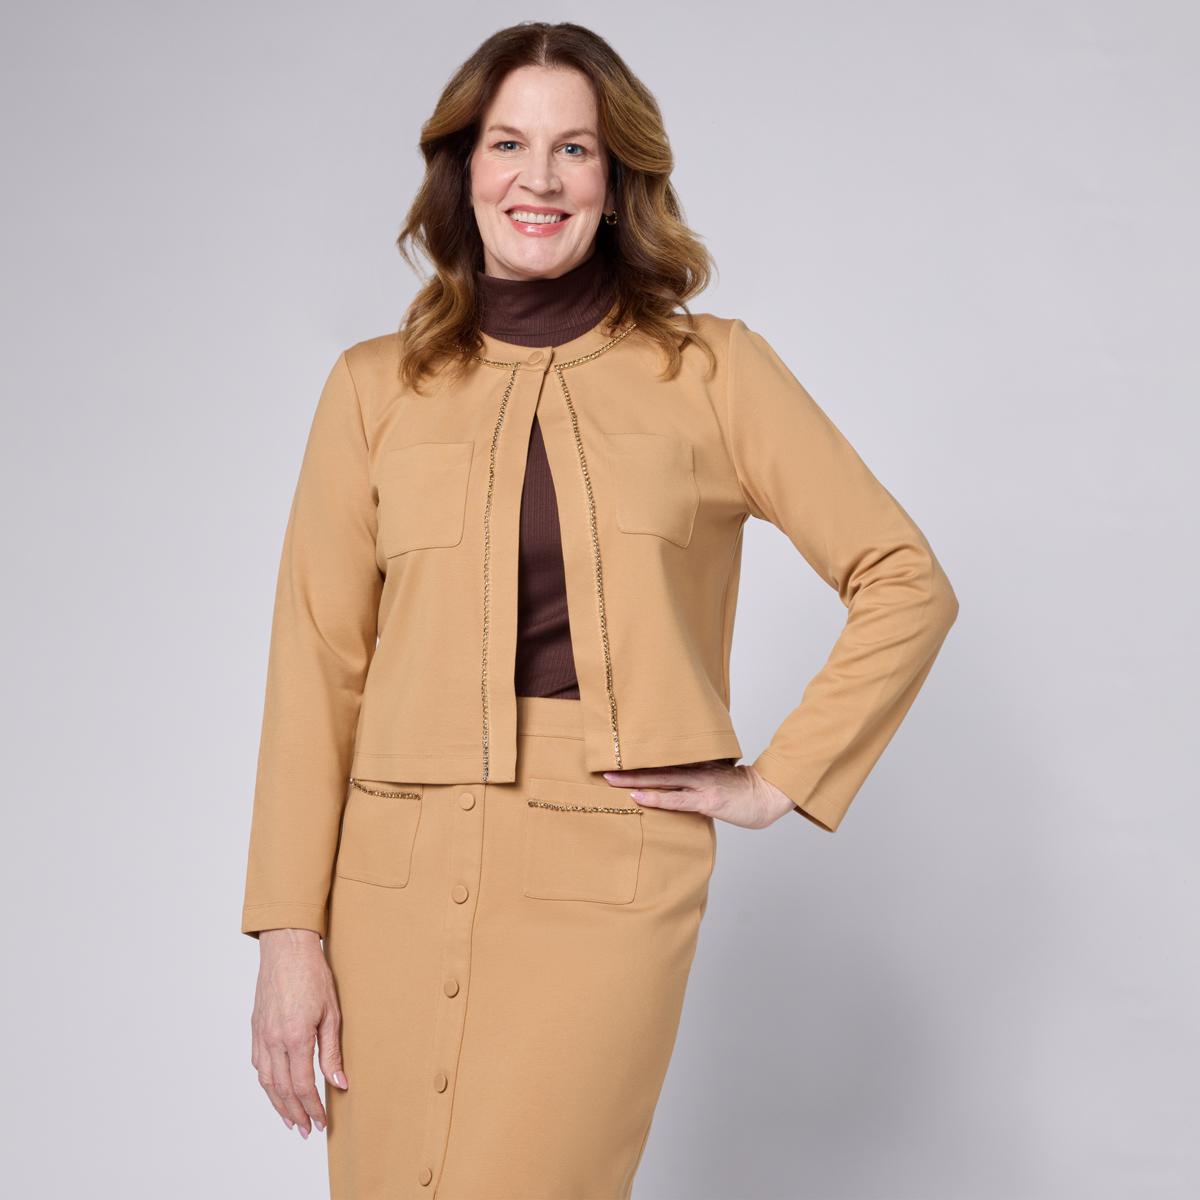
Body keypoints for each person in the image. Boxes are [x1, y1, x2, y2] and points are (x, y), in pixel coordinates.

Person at [240, 20, 959, 1199]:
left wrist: (779, 779)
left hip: (610, 873)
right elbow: (318, 666)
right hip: (389, 883)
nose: (539, 178)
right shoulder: (372, 389)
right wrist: (287, 934)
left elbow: (903, 577)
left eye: (574, 149)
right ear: (463, 169)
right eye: (508, 144)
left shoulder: (712, 372)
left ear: (617, 181)